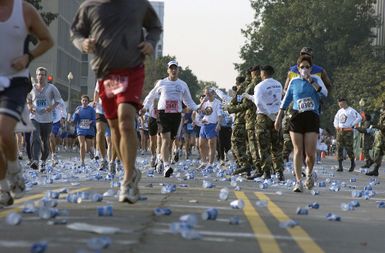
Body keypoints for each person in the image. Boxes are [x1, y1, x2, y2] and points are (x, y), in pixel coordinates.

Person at [71, 0, 162, 204]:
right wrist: (82, 43)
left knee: (125, 120)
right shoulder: (90, 6)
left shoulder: (138, 4)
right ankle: (131, 170)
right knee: (114, 128)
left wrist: (151, 42)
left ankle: (127, 179)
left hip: (132, 70)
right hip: (106, 75)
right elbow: (76, 32)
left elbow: (155, 26)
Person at [0, 0, 54, 207]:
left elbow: (47, 40)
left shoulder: (23, 10)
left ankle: (14, 169)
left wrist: (28, 56)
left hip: (16, 81)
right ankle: (3, 187)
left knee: (4, 132)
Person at [275, 55, 328, 192]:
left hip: (312, 117)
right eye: (302, 67)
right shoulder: (294, 81)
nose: (305, 69)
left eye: (307, 67)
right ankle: (298, 181)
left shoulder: (316, 79)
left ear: (311, 68)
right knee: (297, 150)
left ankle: (309, 174)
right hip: (297, 116)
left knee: (310, 153)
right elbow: (286, 100)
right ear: (298, 68)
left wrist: (312, 82)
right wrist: (279, 117)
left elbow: (325, 94)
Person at [143, 61, 200, 177]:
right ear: (168, 70)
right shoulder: (161, 83)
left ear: (178, 70)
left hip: (176, 115)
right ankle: (167, 165)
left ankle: (161, 158)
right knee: (165, 139)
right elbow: (151, 95)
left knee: (171, 142)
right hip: (163, 113)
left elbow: (188, 101)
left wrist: (198, 108)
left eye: (175, 68)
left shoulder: (183, 84)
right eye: (171, 68)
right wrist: (144, 107)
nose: (173, 70)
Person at [243, 65, 284, 180]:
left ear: (263, 73)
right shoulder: (278, 84)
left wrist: (268, 114)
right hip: (277, 116)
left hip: (263, 118)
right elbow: (275, 99)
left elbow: (259, 103)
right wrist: (250, 97)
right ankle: (279, 172)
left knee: (263, 146)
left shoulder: (259, 86)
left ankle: (267, 172)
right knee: (277, 146)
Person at [27, 67, 62, 172]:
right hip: (35, 117)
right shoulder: (32, 88)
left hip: (47, 119)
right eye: (39, 74)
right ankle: (35, 160)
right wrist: (30, 107)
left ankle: (43, 161)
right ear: (36, 76)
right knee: (35, 137)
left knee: (45, 141)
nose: (40, 76)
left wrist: (51, 107)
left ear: (46, 76)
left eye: (42, 74)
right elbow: (28, 100)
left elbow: (58, 100)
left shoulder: (52, 88)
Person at [226, 76, 251, 175]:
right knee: (246, 145)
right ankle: (243, 165)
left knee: (236, 143)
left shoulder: (243, 90)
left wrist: (230, 107)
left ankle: (244, 165)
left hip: (241, 121)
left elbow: (236, 105)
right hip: (247, 121)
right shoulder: (248, 88)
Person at [333, 98, 362, 172]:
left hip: (348, 131)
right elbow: (336, 119)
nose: (340, 105)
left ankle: (352, 163)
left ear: (344, 103)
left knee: (349, 148)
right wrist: (336, 126)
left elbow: (359, 117)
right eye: (339, 104)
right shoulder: (339, 111)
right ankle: (340, 166)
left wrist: (352, 125)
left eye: (341, 104)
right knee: (339, 148)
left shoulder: (351, 110)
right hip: (340, 131)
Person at [199, 88, 223, 169]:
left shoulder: (218, 102)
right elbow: (199, 110)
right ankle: (203, 162)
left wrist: (218, 124)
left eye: (208, 94)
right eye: (206, 94)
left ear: (213, 94)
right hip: (204, 124)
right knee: (201, 145)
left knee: (211, 145)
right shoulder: (205, 102)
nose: (207, 96)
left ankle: (210, 163)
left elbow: (220, 115)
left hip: (213, 125)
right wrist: (202, 102)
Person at [72, 95, 96, 167]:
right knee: (82, 145)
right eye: (83, 100)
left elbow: (94, 119)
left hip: (89, 129)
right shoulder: (78, 109)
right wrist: (76, 114)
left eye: (86, 101)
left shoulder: (91, 109)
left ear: (88, 102)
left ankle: (90, 150)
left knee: (86, 149)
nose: (84, 102)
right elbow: (74, 120)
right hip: (80, 129)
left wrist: (91, 122)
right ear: (81, 101)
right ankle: (82, 162)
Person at [365, 100, 385, 176]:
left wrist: (374, 126)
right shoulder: (382, 113)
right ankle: (375, 170)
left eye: (383, 104)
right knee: (379, 154)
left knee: (379, 153)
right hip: (381, 137)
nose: (381, 106)